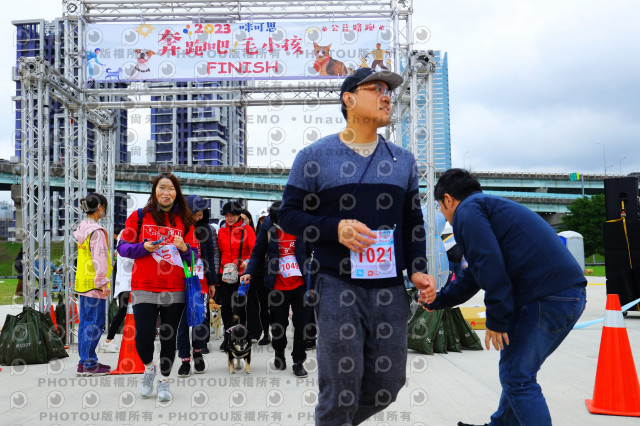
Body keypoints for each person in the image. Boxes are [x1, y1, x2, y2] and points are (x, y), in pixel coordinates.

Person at [278, 67, 437, 425]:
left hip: (389, 289)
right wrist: (336, 229)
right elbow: (288, 216)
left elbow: (412, 222)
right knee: (341, 386)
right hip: (336, 285)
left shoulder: (403, 161)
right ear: (349, 99)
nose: (387, 96)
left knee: (388, 383)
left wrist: (419, 269)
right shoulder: (314, 156)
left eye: (389, 91)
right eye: (376, 88)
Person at [421, 168, 587, 426]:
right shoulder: (487, 208)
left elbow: (489, 263)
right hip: (563, 294)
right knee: (517, 373)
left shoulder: (467, 211)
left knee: (517, 376)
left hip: (546, 296)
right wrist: (440, 300)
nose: (444, 215)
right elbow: (475, 274)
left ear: (448, 199)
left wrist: (497, 318)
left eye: (441, 207)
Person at [117, 172, 198, 402]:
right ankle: (149, 368)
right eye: (162, 187)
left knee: (168, 337)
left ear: (176, 193)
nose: (166, 192)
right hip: (144, 286)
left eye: (170, 188)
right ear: (154, 191)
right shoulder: (139, 217)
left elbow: (193, 260)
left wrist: (184, 248)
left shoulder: (185, 220)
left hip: (174, 289)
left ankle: (163, 381)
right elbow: (123, 248)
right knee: (142, 337)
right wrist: (144, 248)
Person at [241, 201, 313, 377]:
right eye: (276, 224)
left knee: (301, 324)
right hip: (277, 284)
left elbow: (311, 252)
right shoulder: (267, 227)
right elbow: (257, 253)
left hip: (300, 283)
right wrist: (249, 272)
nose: (279, 227)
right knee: (278, 324)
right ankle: (279, 352)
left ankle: (298, 361)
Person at [176, 194, 219, 377]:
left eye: (202, 214)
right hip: (178, 281)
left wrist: (212, 282)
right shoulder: (176, 227)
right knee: (181, 323)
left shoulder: (205, 230)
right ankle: (185, 360)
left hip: (199, 281)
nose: (200, 217)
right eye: (197, 214)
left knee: (200, 320)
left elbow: (209, 256)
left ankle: (198, 353)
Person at [74, 193, 112, 376]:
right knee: (94, 324)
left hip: (83, 283)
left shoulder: (82, 227)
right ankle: (88, 363)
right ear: (99, 208)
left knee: (85, 324)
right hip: (94, 284)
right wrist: (103, 282)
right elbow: (100, 259)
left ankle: (84, 361)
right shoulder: (96, 231)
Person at [216, 201, 256, 346]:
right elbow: (219, 252)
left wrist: (247, 261)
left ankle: (241, 335)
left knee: (240, 306)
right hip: (225, 274)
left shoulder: (248, 230)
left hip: (241, 274)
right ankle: (228, 336)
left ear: (239, 215)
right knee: (225, 305)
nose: (229, 218)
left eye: (232, 215)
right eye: (226, 215)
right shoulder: (221, 231)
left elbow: (255, 251)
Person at [101, 227, 132, 353]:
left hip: (125, 284)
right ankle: (108, 340)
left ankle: (109, 340)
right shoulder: (124, 242)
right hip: (127, 283)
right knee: (123, 311)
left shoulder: (121, 243)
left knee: (123, 312)